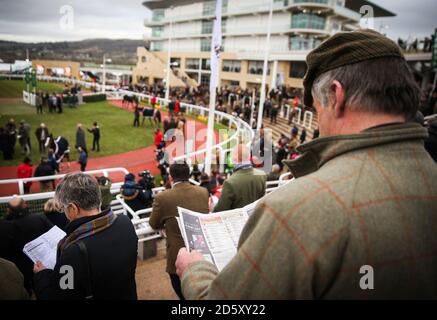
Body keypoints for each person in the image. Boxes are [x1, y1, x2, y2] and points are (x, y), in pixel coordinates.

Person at [175, 29, 437, 300]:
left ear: (336, 96)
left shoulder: (298, 209)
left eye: (316, 109)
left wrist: (194, 272)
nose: (318, 120)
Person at [33, 173, 138, 300]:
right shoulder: (125, 222)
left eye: (63, 208)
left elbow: (59, 297)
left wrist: (42, 276)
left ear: (73, 208)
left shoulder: (72, 253)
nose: (64, 212)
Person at [149, 163, 209, 300]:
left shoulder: (163, 197)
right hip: (202, 252)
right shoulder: (203, 192)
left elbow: (154, 224)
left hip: (178, 257)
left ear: (171, 177)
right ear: (188, 175)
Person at [3, 197, 53, 294]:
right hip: (42, 264)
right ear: (25, 205)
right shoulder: (39, 218)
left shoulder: (5, 226)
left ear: (8, 210)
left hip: (19, 270)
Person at [213, 144, 266, 212]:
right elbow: (261, 200)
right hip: (254, 218)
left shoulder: (230, 182)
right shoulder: (262, 175)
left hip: (237, 220)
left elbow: (220, 210)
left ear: (235, 158)